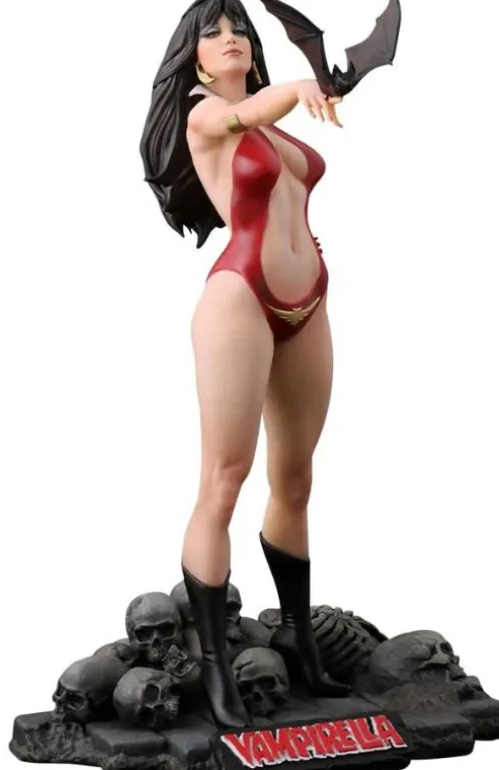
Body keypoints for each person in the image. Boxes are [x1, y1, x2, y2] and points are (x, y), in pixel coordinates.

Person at [140, 0, 350, 728]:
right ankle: (214, 665)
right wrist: (299, 86)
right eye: (213, 33)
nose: (229, 39)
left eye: (238, 31)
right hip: (241, 298)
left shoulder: (272, 126)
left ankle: (298, 641)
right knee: (224, 479)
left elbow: (269, 120)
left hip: (308, 301)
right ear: (194, 57)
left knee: (296, 479)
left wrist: (313, 87)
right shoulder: (206, 116)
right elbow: (244, 113)